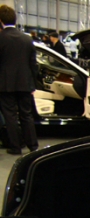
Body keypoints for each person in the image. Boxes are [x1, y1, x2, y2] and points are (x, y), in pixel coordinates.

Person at [0, 5, 39, 155]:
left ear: (1, 21)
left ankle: (16, 147)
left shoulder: (1, 38)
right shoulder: (27, 39)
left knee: (10, 116)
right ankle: (33, 146)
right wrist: (33, 84)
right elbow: (33, 65)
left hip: (5, 84)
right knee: (26, 115)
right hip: (25, 83)